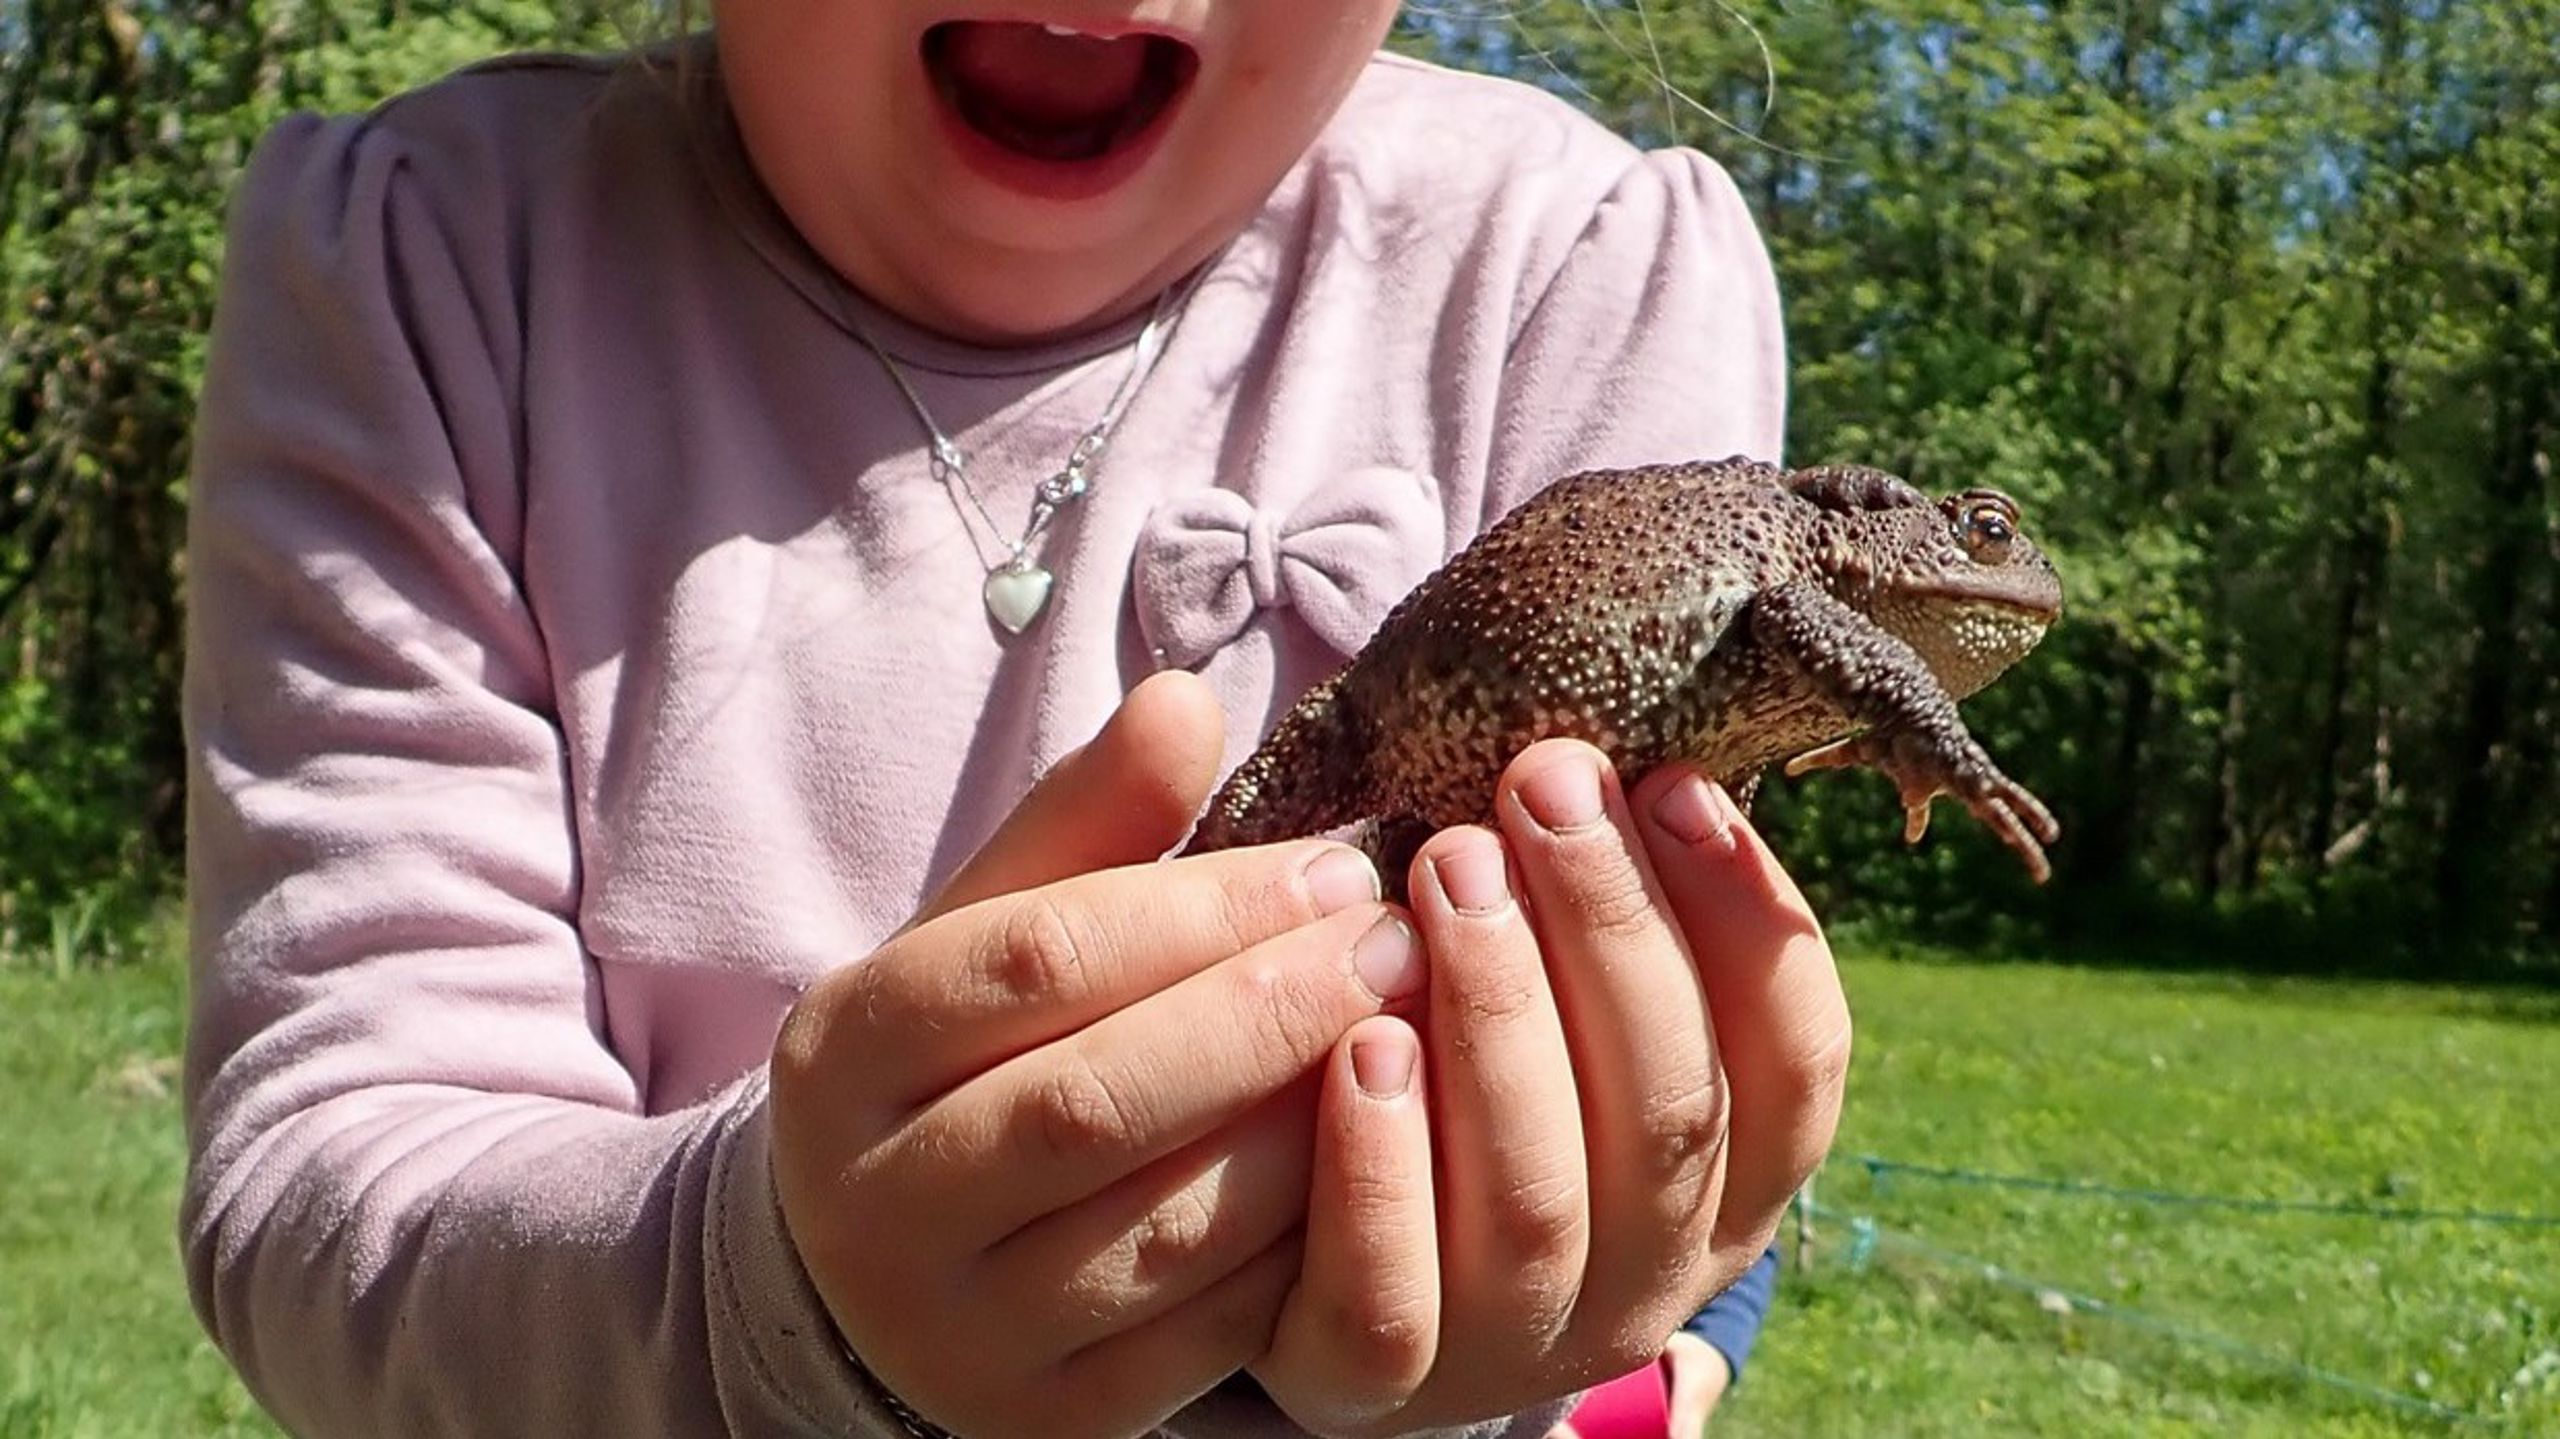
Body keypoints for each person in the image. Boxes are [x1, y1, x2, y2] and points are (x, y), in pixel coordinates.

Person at [180, 2, 1850, 1435]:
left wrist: (1585, 1292)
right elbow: (330, 1183)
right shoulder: (430, 247)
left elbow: (1595, 1080)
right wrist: (777, 1299)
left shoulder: (1582, 263)